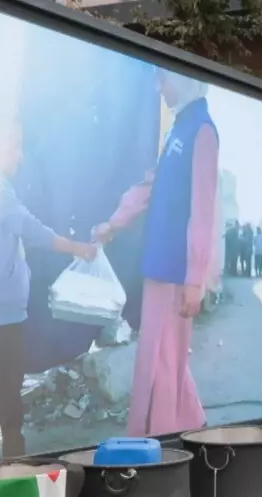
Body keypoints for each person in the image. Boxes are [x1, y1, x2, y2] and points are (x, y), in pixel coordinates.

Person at [0, 119, 97, 465]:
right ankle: (14, 469)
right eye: (15, 146)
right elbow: (32, 229)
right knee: (8, 400)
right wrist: (77, 247)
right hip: (1, 317)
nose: (20, 156)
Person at [93, 68, 218, 436]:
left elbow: (203, 211)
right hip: (159, 264)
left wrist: (195, 279)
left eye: (164, 79)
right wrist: (113, 224)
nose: (159, 87)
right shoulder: (177, 130)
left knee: (163, 359)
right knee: (162, 355)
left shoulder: (202, 131)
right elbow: (149, 189)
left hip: (177, 271)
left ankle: (158, 442)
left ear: (185, 78)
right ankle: (187, 426)